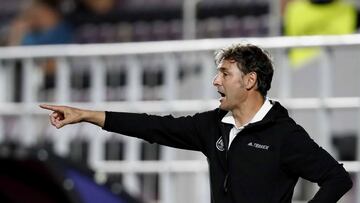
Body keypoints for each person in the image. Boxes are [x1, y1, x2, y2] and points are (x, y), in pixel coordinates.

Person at [40, 44, 352, 202]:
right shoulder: (213, 126)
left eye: (225, 74)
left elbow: (337, 178)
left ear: (250, 81)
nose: (215, 81)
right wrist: (86, 115)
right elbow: (152, 127)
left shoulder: (285, 135)